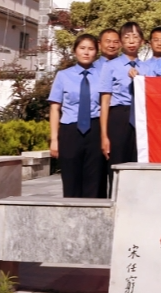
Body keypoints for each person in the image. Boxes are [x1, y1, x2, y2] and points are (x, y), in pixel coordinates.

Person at [49, 34, 106, 198]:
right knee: (70, 178)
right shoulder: (63, 75)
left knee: (94, 179)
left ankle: (93, 212)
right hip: (70, 130)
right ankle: (71, 212)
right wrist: (54, 139)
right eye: (82, 48)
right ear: (75, 51)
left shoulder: (103, 74)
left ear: (96, 52)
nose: (86, 52)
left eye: (91, 49)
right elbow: (54, 108)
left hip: (95, 128)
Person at [99, 23, 144, 185]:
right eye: (127, 37)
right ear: (121, 42)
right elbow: (105, 101)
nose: (131, 41)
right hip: (118, 117)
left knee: (139, 162)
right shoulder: (110, 66)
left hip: (141, 117)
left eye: (135, 37)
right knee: (117, 164)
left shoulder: (147, 68)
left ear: (142, 41)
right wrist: (104, 136)